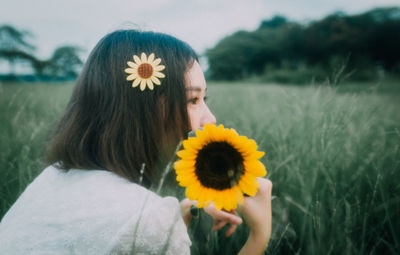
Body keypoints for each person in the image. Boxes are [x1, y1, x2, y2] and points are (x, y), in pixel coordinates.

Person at [0, 29, 272, 254]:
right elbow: (136, 227)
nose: (210, 119)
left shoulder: (55, 176)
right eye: (192, 100)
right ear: (141, 110)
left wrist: (182, 214)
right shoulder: (147, 219)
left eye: (204, 99)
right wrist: (259, 236)